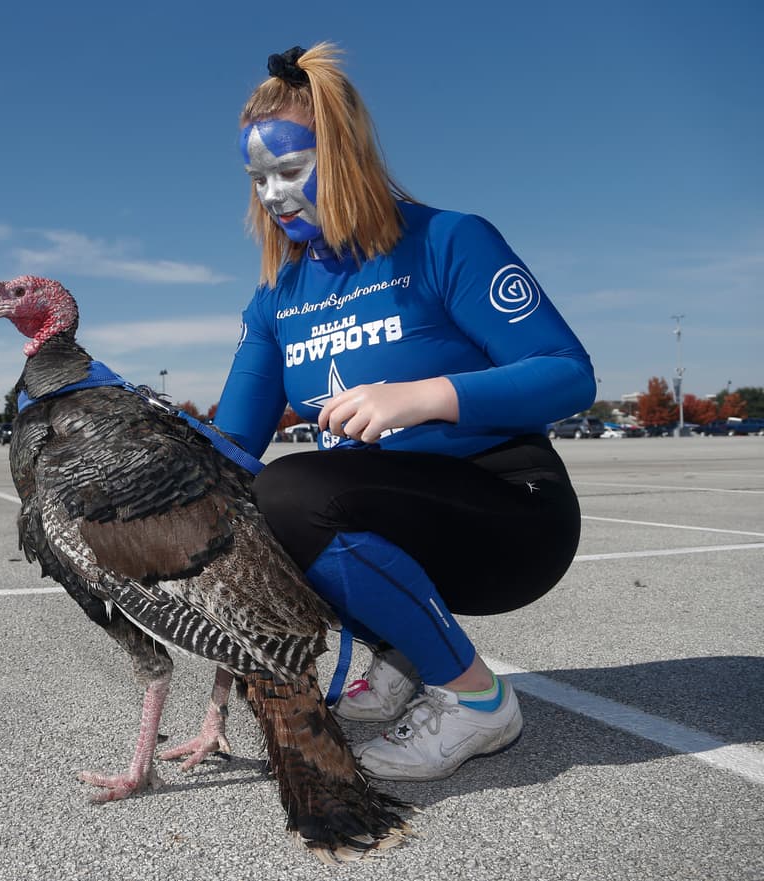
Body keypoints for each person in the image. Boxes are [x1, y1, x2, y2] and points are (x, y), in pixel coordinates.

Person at [212, 43, 595, 781]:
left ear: (346, 154)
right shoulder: (277, 300)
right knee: (257, 499)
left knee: (289, 490)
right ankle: (399, 655)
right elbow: (230, 447)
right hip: (392, 511)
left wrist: (423, 395)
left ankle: (477, 700)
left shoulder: (448, 239)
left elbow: (568, 374)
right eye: (258, 178)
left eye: (290, 171)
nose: (272, 194)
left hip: (511, 512)